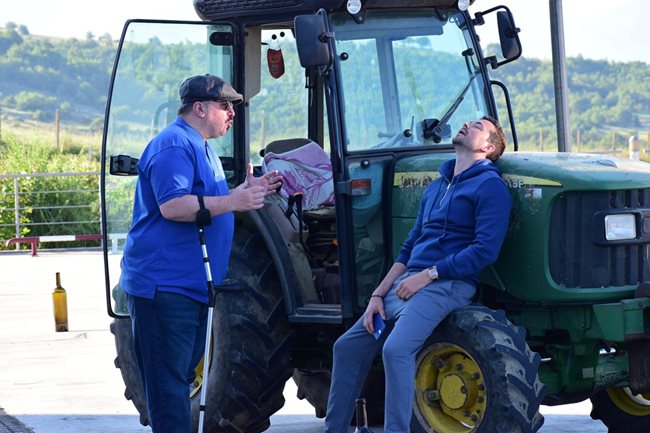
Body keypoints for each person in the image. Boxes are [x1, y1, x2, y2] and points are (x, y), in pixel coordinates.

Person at [324, 116, 512, 433]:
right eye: (469, 122)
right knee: (347, 347)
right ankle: (334, 430)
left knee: (396, 349)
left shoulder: (490, 187)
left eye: (478, 127)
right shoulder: (438, 185)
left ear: (488, 146)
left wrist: (428, 275)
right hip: (407, 283)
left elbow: (484, 251)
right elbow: (409, 246)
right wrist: (377, 295)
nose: (467, 124)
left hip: (447, 284)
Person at [119, 74, 282, 433]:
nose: (231, 113)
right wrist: (234, 200)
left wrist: (246, 190)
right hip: (164, 288)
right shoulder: (175, 146)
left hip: (188, 286)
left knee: (177, 381)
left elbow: (210, 201)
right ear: (200, 107)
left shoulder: (201, 146)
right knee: (169, 388)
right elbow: (173, 206)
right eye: (225, 105)